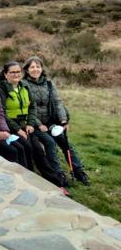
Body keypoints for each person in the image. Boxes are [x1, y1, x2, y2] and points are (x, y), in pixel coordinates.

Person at [0, 61, 66, 193]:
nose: (16, 74)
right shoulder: (1, 89)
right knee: (28, 148)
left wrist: (30, 123)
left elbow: (32, 107)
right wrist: (17, 129)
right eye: (12, 72)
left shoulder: (24, 86)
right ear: (6, 74)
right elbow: (2, 113)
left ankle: (56, 183)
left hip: (26, 126)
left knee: (39, 150)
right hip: (11, 126)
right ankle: (30, 183)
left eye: (18, 72)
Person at [22, 56, 89, 185]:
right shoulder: (24, 84)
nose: (35, 69)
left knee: (66, 144)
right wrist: (39, 124)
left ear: (42, 69)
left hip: (50, 121)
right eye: (32, 67)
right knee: (51, 144)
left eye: (38, 67)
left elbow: (58, 103)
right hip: (34, 124)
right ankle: (58, 173)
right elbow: (27, 107)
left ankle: (78, 171)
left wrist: (63, 120)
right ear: (27, 70)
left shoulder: (49, 83)